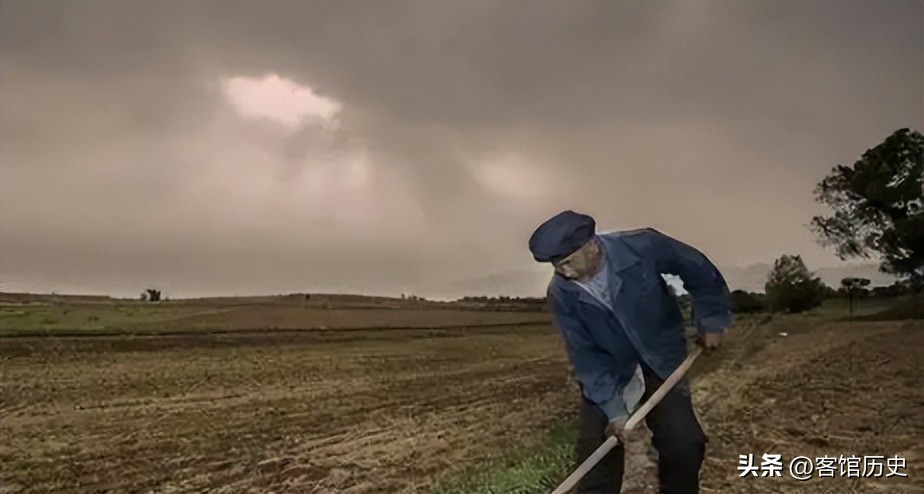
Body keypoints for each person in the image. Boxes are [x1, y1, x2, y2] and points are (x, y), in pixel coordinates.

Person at [528, 210, 731, 494]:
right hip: (611, 369)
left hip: (661, 358)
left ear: (592, 246)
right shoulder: (562, 293)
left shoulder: (642, 245)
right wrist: (614, 411)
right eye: (556, 267)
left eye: (567, 263)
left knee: (683, 445)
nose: (564, 273)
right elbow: (585, 356)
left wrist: (711, 319)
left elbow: (698, 269)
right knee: (597, 455)